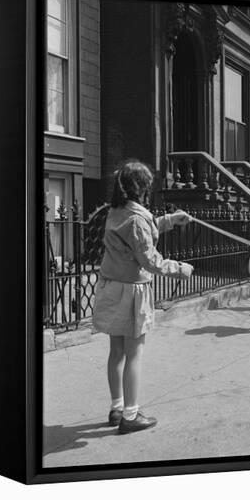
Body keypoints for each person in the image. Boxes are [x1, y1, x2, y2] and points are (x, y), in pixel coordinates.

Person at [92, 161, 194, 434]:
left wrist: (170, 220)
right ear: (141, 187)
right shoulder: (136, 218)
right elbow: (149, 259)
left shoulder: (116, 211)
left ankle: (117, 408)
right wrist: (180, 269)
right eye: (148, 184)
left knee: (116, 352)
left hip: (111, 286)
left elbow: (137, 235)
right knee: (134, 353)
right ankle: (131, 415)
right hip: (131, 291)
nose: (151, 189)